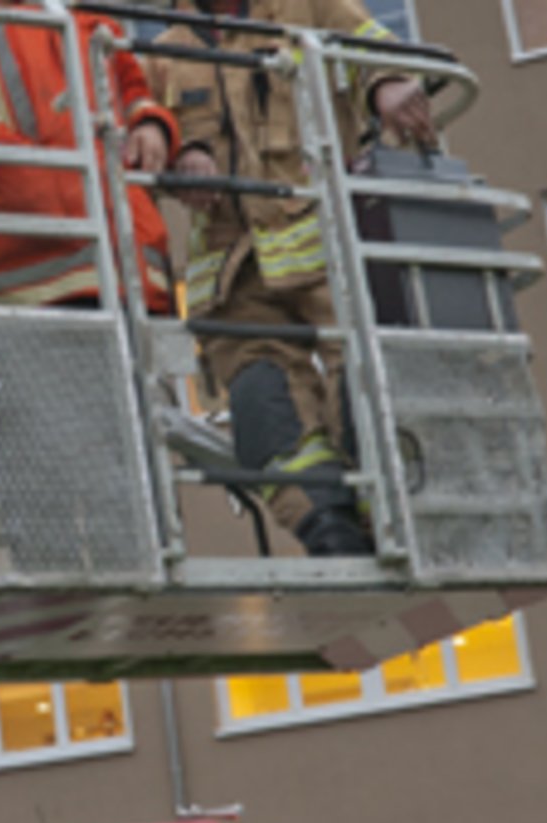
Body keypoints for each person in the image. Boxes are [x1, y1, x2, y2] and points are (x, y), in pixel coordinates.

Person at [146, 0, 434, 556]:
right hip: (232, 277)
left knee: (367, 384)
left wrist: (387, 82)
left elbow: (372, 45)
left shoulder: (308, 7)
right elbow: (142, 130)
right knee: (267, 410)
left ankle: (389, 513)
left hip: (328, 255)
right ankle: (327, 529)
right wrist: (182, 154)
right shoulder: (162, 55)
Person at [0, 1, 179, 312]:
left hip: (135, 272)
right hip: (26, 275)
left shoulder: (84, 12)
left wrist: (151, 124)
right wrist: (45, 178)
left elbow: (132, 89)